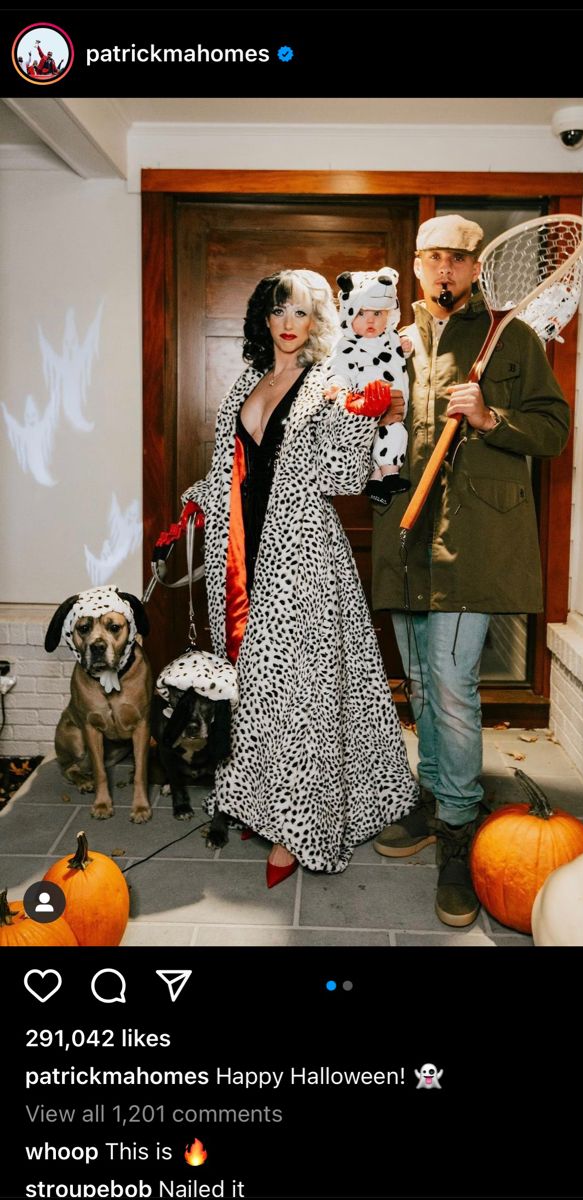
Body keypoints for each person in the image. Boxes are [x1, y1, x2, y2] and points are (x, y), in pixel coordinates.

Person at [181, 268, 418, 886]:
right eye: (278, 312)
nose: (288, 324)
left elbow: (343, 478)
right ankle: (263, 801)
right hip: (246, 553)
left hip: (303, 555)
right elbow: (233, 468)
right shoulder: (246, 384)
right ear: (265, 320)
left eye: (300, 314)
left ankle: (301, 826)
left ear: (316, 324)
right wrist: (196, 500)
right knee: (260, 688)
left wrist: (362, 416)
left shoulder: (329, 381)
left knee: (302, 695)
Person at [371, 215, 571, 927]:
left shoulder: (511, 336)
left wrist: (490, 418)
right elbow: (368, 444)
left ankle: (457, 827)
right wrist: (368, 418)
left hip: (475, 538)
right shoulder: (389, 342)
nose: (445, 270)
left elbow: (551, 429)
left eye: (457, 259)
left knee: (451, 686)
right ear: (416, 265)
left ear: (474, 267)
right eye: (433, 258)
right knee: (420, 682)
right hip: (406, 535)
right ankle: (436, 794)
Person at [326, 268, 410, 506]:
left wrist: (405, 346)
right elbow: (338, 369)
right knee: (378, 439)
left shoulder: (392, 337)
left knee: (396, 434)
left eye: (377, 313)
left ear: (390, 314)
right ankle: (386, 475)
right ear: (348, 314)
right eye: (361, 313)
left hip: (393, 403)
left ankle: (380, 479)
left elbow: (400, 355)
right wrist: (337, 387)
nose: (370, 320)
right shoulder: (346, 345)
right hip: (366, 407)